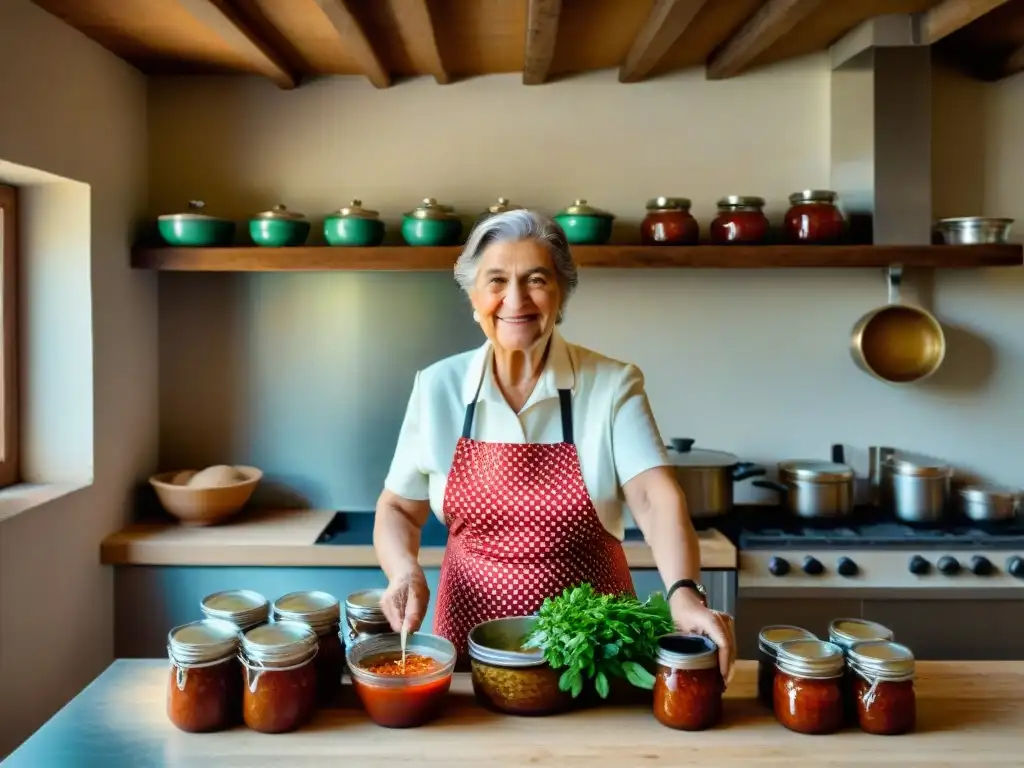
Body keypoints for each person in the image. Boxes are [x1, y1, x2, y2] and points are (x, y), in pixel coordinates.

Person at [373, 209, 736, 681]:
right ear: (473, 296)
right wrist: (403, 571)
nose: (515, 299)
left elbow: (654, 497)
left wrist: (684, 591)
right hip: (469, 647)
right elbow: (398, 508)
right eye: (497, 280)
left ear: (561, 293)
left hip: (594, 650)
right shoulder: (437, 387)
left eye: (536, 280)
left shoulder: (611, 384)